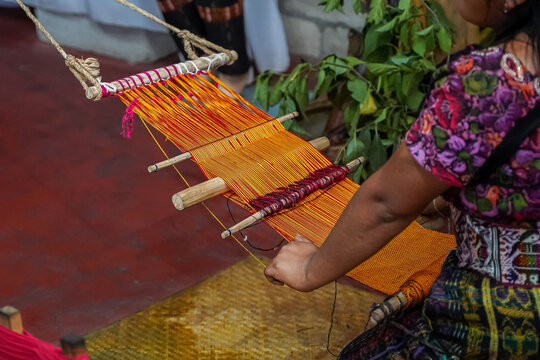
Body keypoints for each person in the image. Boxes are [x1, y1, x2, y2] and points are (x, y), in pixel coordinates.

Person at [264, 0, 539, 358]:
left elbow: (387, 205)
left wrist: (309, 268)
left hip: (501, 320)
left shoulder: (486, 83)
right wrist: (452, 201)